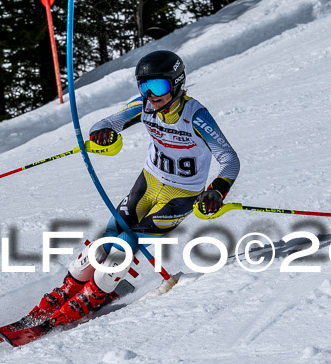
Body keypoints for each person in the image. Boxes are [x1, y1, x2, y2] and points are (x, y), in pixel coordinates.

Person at [28, 50, 240, 326]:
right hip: (149, 181)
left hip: (182, 194)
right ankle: (69, 287)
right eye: (144, 87)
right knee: (112, 233)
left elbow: (229, 159)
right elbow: (106, 123)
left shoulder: (195, 115)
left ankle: (93, 294)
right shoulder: (144, 106)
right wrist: (102, 134)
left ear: (177, 83)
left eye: (158, 86)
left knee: (130, 241)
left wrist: (217, 190)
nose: (151, 95)